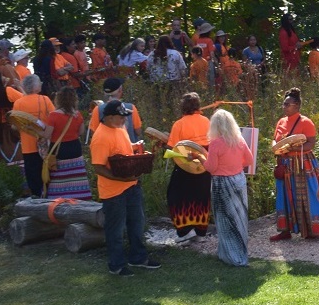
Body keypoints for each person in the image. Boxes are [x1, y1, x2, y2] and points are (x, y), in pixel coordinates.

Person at [88, 100, 157, 276]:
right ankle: (116, 264)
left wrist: (135, 148)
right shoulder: (100, 137)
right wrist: (121, 178)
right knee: (115, 229)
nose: (125, 119)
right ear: (109, 117)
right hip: (113, 191)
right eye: (121, 117)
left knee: (137, 223)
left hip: (131, 185)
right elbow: (98, 167)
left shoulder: (120, 129)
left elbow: (122, 150)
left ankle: (138, 257)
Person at [188, 109, 250, 266]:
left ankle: (230, 255)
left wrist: (199, 157)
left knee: (225, 219)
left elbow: (211, 167)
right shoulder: (239, 139)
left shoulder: (216, 143)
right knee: (239, 217)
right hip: (239, 180)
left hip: (222, 184)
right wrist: (235, 167)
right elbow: (249, 160)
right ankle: (240, 252)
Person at [271, 88, 319, 240]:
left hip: (302, 163)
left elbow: (311, 143)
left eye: (287, 104)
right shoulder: (281, 121)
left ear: (297, 105)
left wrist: (292, 147)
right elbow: (275, 139)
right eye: (283, 104)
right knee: (284, 195)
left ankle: (311, 230)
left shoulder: (306, 122)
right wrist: (276, 147)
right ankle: (285, 231)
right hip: (284, 162)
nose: (284, 107)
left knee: (306, 195)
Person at [166, 92, 212, 242]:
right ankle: (200, 233)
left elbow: (172, 149)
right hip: (204, 166)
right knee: (201, 198)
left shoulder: (178, 124)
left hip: (185, 167)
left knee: (176, 197)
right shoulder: (206, 121)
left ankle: (185, 231)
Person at [41, 87, 92, 200]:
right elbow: (81, 132)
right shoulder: (77, 115)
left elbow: (46, 135)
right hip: (74, 148)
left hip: (59, 149)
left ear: (58, 99)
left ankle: (58, 199)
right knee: (76, 176)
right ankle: (80, 198)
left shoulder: (53, 115)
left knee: (59, 177)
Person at [13, 75, 53, 196]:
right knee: (48, 173)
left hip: (28, 146)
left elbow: (15, 125)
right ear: (36, 86)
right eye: (39, 82)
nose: (41, 84)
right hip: (46, 144)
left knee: (33, 176)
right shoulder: (45, 100)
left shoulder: (18, 103)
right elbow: (53, 118)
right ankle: (49, 197)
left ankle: (36, 199)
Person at [86, 78, 142, 144]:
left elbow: (94, 133)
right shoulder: (131, 107)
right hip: (130, 149)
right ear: (120, 90)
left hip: (109, 150)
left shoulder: (97, 109)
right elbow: (138, 131)